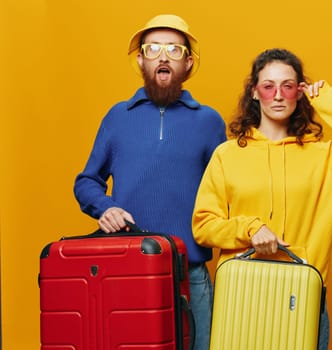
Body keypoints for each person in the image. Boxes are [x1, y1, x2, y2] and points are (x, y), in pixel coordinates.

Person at [192, 48, 332, 349]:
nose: (277, 95)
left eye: (288, 86)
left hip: (301, 296)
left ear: (299, 93)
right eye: (268, 86)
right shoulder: (228, 155)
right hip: (242, 296)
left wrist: (325, 99)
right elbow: (203, 226)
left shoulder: (326, 157)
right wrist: (250, 229)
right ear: (254, 92)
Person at [73, 14, 226, 350]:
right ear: (141, 59)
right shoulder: (117, 117)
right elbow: (86, 182)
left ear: (187, 63)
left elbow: (230, 192)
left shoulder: (210, 121)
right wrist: (106, 207)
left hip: (192, 274)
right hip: (129, 270)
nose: (163, 56)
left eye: (173, 49)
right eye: (153, 48)